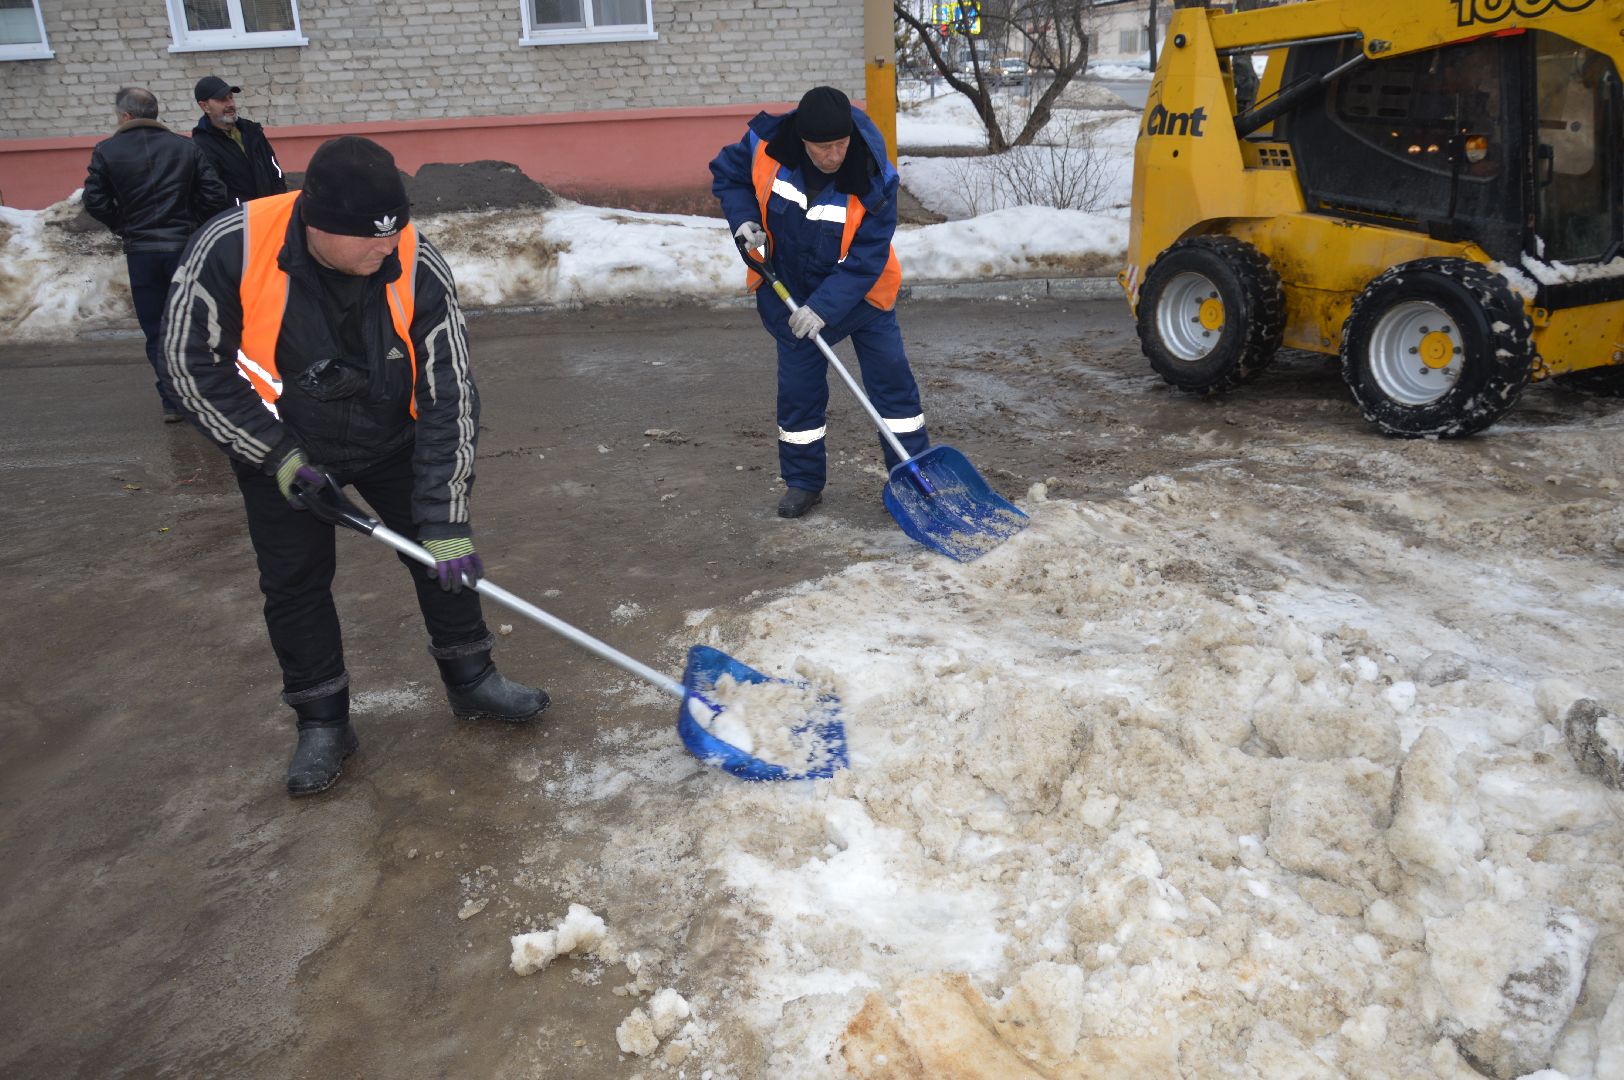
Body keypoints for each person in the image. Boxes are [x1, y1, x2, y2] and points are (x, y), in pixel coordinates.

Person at [160, 135, 547, 797]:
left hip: (390, 434)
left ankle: (473, 679)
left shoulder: (416, 259)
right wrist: (277, 460)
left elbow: (449, 391)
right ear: (316, 225)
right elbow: (188, 364)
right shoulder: (233, 246)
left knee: (440, 554)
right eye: (371, 238)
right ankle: (322, 721)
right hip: (280, 440)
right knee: (294, 583)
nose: (387, 248)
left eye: (395, 233)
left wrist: (446, 516)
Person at [710, 85, 930, 519]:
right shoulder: (765, 146)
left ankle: (912, 474)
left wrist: (824, 308)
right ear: (803, 141)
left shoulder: (873, 175)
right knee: (799, 395)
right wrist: (744, 219)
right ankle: (803, 482)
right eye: (824, 148)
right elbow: (728, 174)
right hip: (790, 294)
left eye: (841, 144)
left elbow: (867, 257)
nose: (834, 156)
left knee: (891, 383)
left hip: (864, 294)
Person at [83, 87, 229, 423]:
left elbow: (95, 201)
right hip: (183, 249)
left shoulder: (108, 150)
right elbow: (214, 194)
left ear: (125, 116)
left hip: (142, 253)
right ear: (155, 112)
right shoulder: (184, 147)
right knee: (194, 324)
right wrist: (192, 224)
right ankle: (203, 395)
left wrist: (124, 225)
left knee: (157, 329)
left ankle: (173, 401)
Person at [190, 75, 288, 206]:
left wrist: (279, 197)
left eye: (231, 97)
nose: (230, 104)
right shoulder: (201, 144)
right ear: (205, 106)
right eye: (222, 100)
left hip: (270, 209)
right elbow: (211, 192)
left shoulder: (252, 131)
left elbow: (274, 167)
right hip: (238, 218)